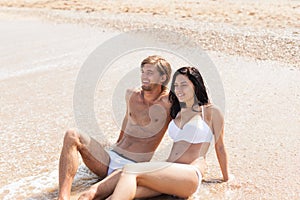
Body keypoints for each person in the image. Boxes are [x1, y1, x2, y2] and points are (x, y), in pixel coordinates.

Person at [58, 55, 172, 200]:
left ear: (163, 78)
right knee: (72, 134)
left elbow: (191, 125)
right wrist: (114, 146)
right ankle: (63, 197)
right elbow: (127, 121)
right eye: (143, 72)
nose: (144, 76)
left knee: (89, 196)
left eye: (150, 73)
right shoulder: (132, 94)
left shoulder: (169, 103)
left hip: (130, 169)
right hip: (108, 158)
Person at [109, 66, 229, 200]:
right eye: (176, 85)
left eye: (184, 85)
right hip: (168, 172)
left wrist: (227, 179)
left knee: (130, 170)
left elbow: (220, 147)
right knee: (124, 191)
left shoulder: (210, 112)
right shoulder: (176, 111)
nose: (179, 90)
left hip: (190, 174)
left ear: (196, 86)